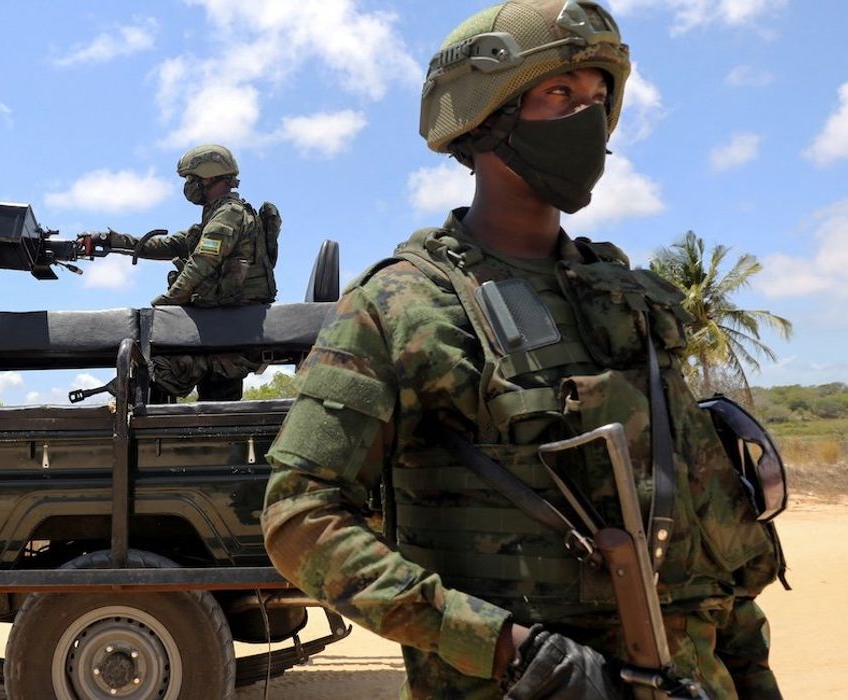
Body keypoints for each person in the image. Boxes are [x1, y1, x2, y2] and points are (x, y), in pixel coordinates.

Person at [261, 2, 783, 698]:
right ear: (485, 114)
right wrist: (510, 651)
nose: (588, 120)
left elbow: (701, 543)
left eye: (599, 99)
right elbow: (299, 518)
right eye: (560, 94)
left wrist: (750, 675)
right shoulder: (404, 305)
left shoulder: (628, 304)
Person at [80, 144, 278, 401]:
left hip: (228, 324)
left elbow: (200, 264)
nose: (189, 185)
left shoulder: (228, 215)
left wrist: (164, 308)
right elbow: (168, 244)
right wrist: (109, 240)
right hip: (224, 323)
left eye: (192, 179)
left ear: (210, 176)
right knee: (213, 399)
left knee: (154, 373)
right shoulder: (217, 216)